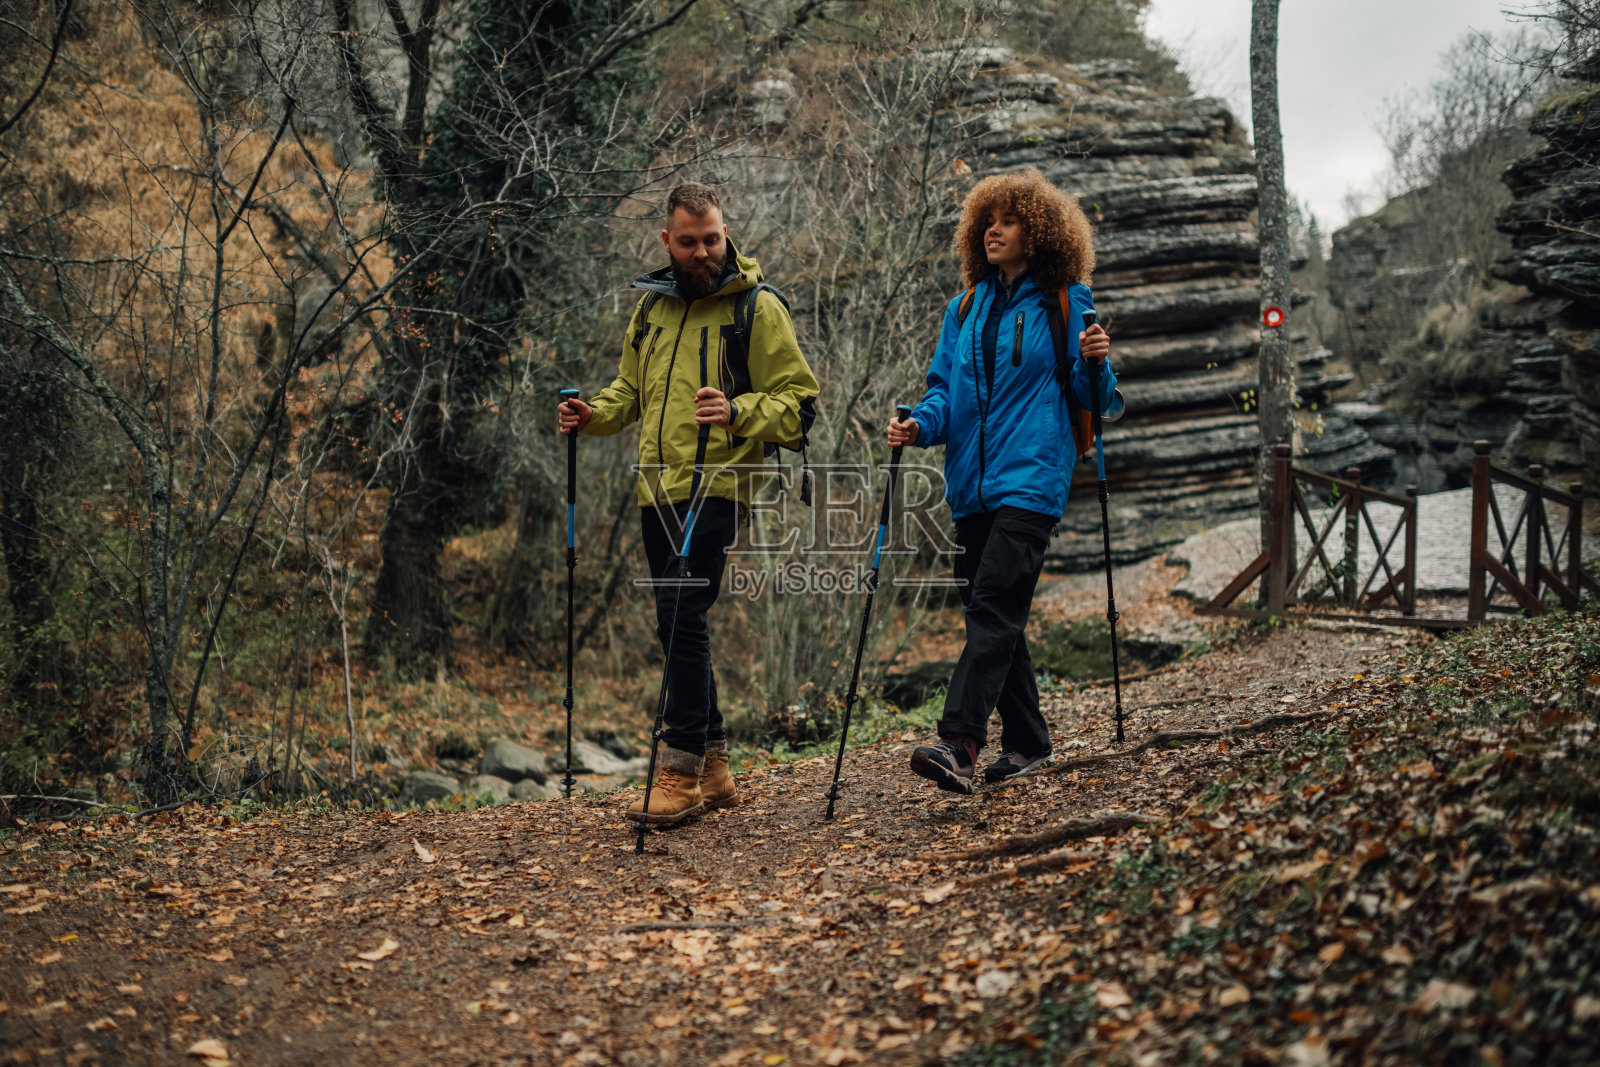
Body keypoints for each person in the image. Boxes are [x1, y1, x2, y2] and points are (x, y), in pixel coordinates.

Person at [558, 182, 819, 824]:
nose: (703, 252)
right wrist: (591, 414)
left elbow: (800, 406)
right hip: (658, 487)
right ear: (667, 242)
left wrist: (736, 410)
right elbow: (630, 390)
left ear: (726, 233)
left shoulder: (757, 309)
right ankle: (716, 765)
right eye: (689, 241)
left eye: (713, 239)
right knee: (679, 620)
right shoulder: (651, 311)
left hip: (722, 484)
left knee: (680, 610)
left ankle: (677, 773)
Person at [888, 169, 1116, 794]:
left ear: (1039, 233)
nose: (995, 229)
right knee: (994, 615)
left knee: (992, 607)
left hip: (1032, 478)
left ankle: (959, 743)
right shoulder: (963, 308)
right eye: (988, 220)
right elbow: (943, 393)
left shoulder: (1066, 300)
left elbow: (1094, 395)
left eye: (1009, 220)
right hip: (969, 483)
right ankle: (1030, 741)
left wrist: (1096, 362)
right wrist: (916, 426)